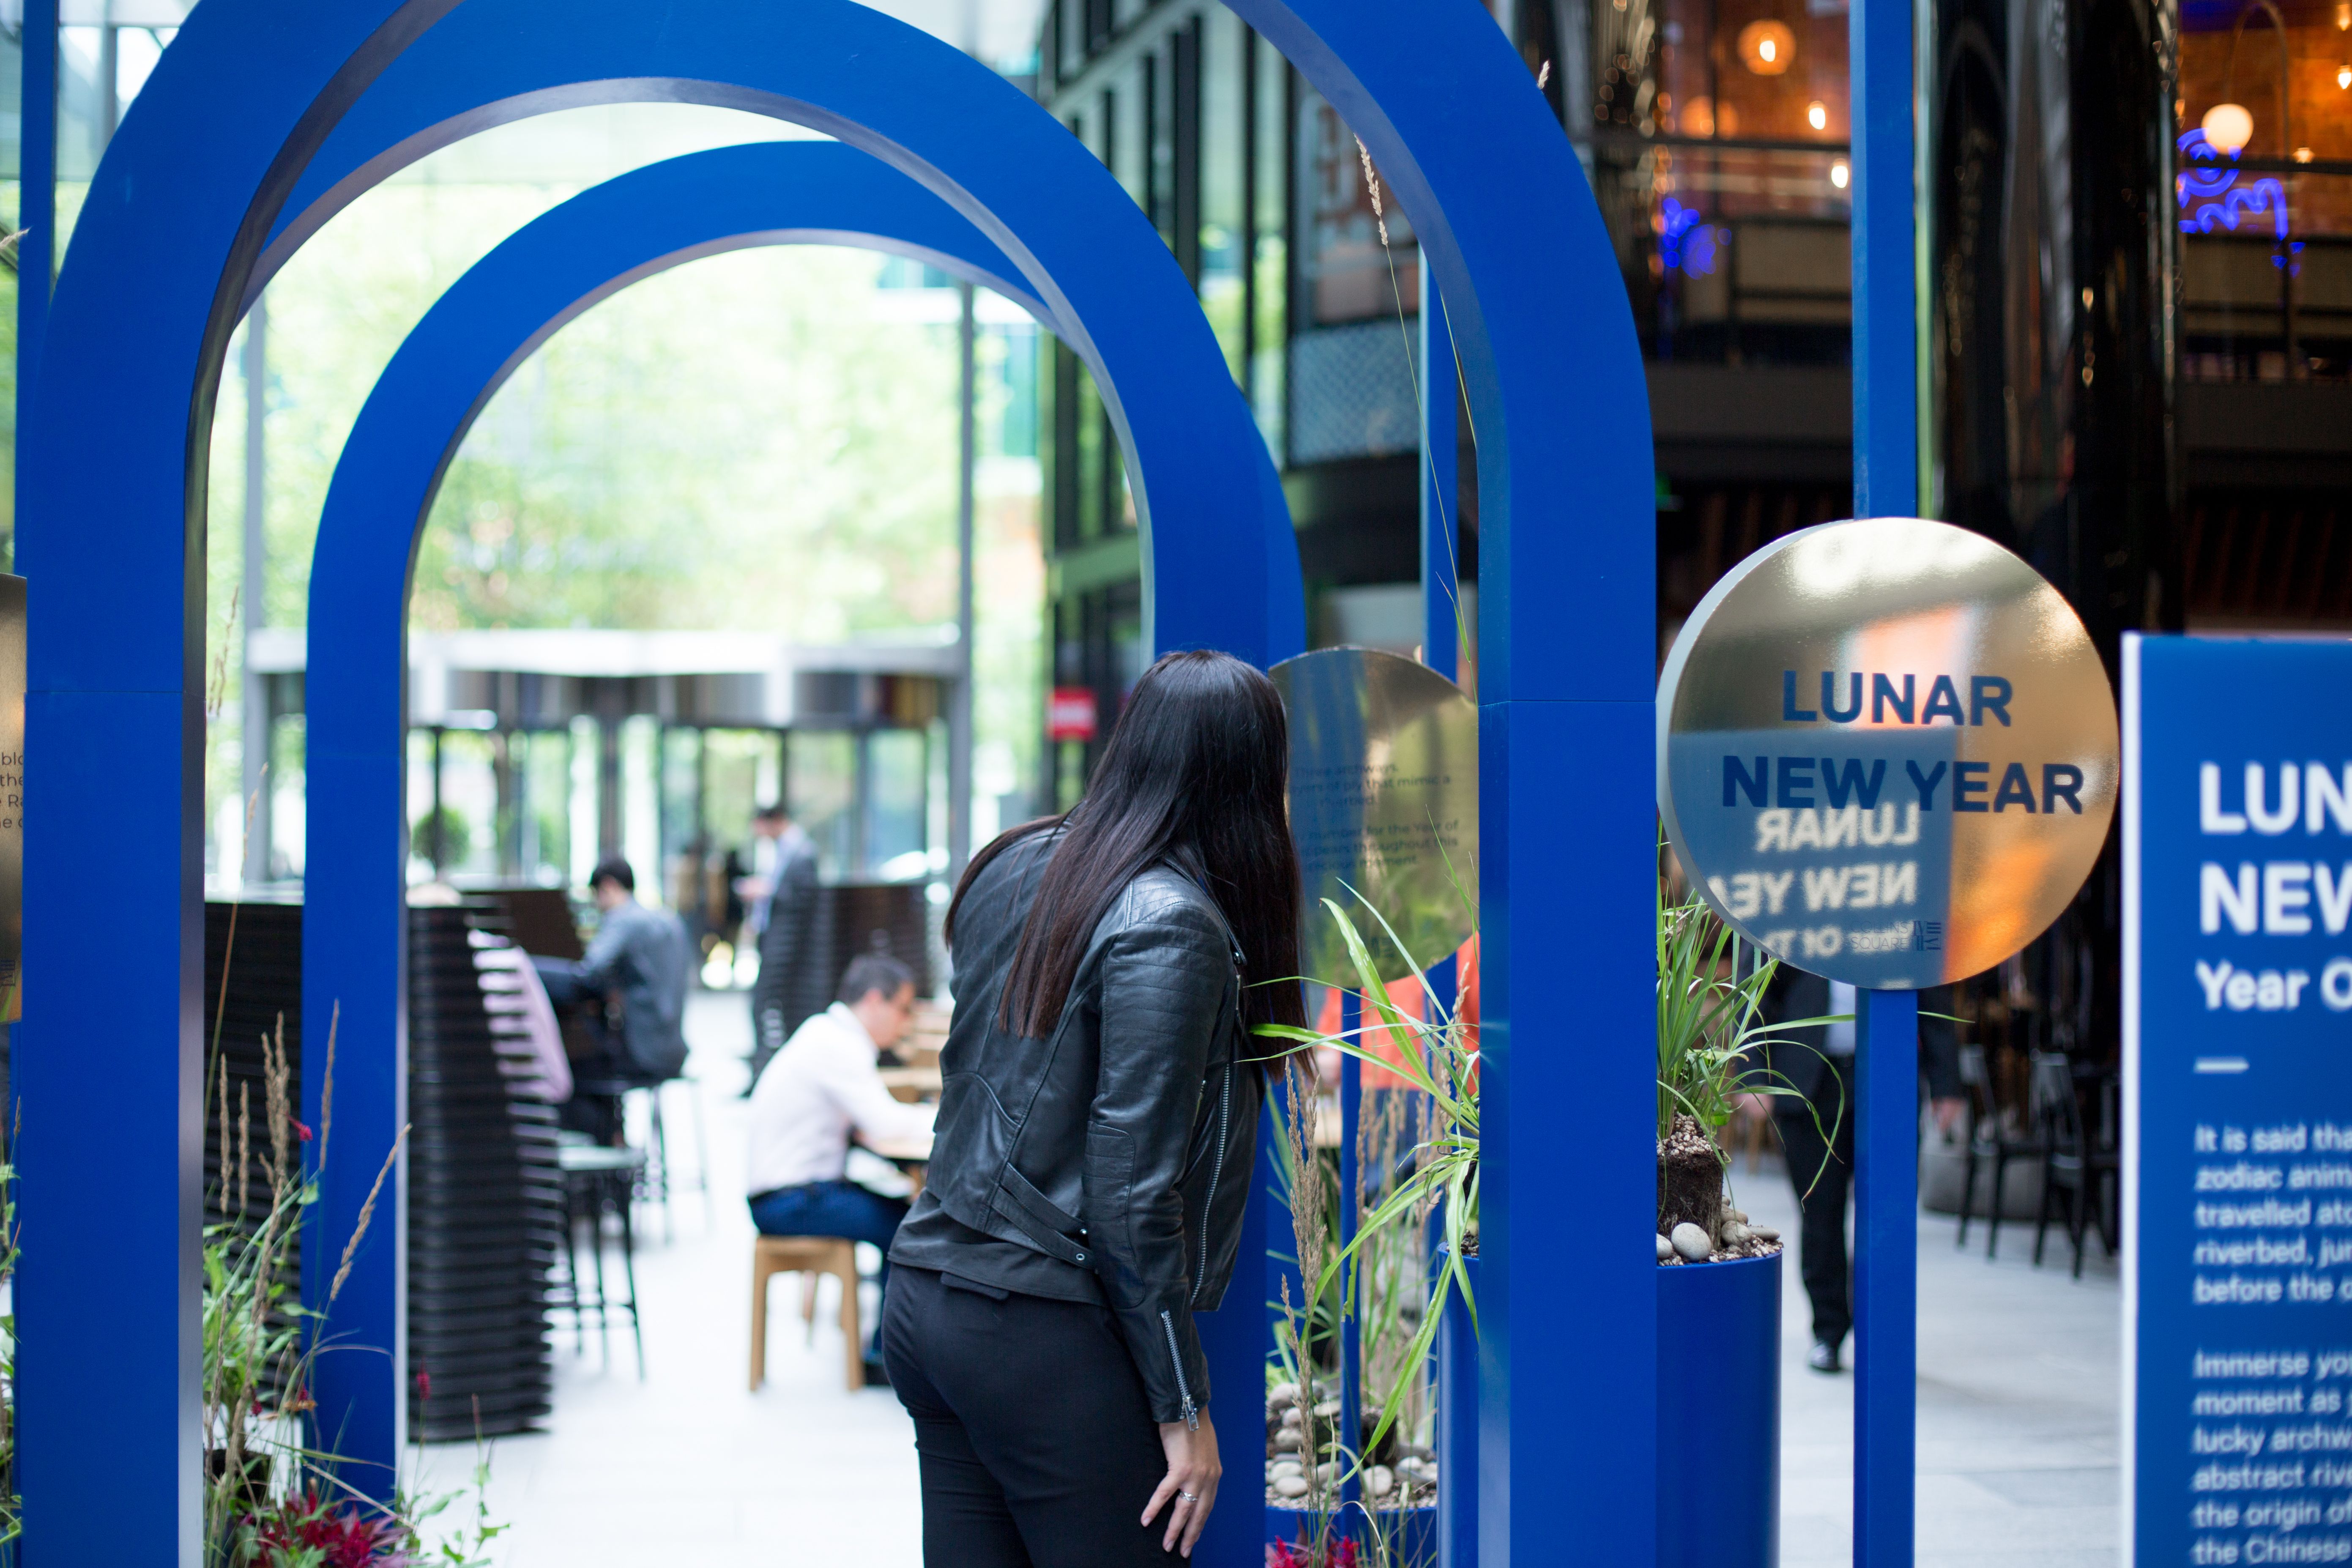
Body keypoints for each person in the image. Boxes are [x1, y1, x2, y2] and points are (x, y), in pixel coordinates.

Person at [883, 649, 1303, 1566]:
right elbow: (1128, 1193)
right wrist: (1184, 1408)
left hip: (929, 1294)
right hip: (1038, 1329)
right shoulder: (1172, 921)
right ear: (1248, 779)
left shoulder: (1016, 862)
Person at [1745, 970, 1962, 1374]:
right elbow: (1752, 991)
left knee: (1887, 1215)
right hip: (1807, 1081)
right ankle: (1828, 1333)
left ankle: (1879, 1334)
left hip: (1886, 1075)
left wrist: (1947, 1082)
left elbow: (1929, 984)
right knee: (1820, 1215)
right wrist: (1755, 1077)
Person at [744, 952, 935, 1386]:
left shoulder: (826, 1034)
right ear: (874, 1000)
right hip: (788, 1201)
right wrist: (954, 1121)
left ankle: (887, 1347)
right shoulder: (838, 1045)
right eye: (903, 1009)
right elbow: (884, 1123)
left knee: (903, 1214)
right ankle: (886, 1356)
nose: (906, 1023)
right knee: (909, 1225)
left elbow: (869, 1126)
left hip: (791, 1192)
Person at [536, 856, 694, 1085]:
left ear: (608, 886)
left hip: (642, 1053)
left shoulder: (623, 919)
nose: (598, 906)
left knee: (569, 1065)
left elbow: (588, 973)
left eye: (596, 896)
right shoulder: (670, 920)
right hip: (673, 1051)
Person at [745, 802, 823, 1090]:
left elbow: (800, 901)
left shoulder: (801, 852)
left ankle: (767, 1071)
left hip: (786, 948)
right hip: (777, 943)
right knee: (769, 1006)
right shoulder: (787, 850)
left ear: (774, 821)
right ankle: (766, 1071)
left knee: (765, 1005)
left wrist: (768, 891)